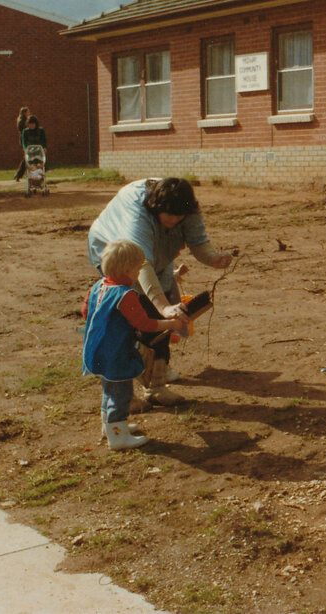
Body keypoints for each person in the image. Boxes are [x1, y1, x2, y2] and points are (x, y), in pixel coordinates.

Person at [87, 177, 232, 408]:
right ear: (155, 208)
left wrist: (213, 259)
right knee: (131, 322)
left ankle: (156, 384)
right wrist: (164, 307)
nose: (174, 220)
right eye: (168, 215)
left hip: (156, 259)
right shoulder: (137, 210)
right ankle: (123, 395)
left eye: (179, 216)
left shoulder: (187, 207)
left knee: (160, 320)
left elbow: (197, 241)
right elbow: (142, 264)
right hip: (119, 256)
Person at [83, 240, 186, 449]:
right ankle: (118, 437)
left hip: (99, 350)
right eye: (138, 269)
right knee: (121, 394)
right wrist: (171, 324)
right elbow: (145, 324)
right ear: (128, 270)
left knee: (109, 389)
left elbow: (86, 311)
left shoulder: (99, 286)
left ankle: (110, 427)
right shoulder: (126, 294)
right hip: (117, 353)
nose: (139, 273)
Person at [13, 106, 29, 181]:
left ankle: (19, 174)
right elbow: (23, 130)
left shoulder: (22, 119)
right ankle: (19, 174)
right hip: (25, 139)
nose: (29, 113)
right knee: (26, 157)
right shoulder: (22, 120)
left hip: (24, 139)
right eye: (28, 112)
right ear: (25, 112)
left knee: (26, 157)